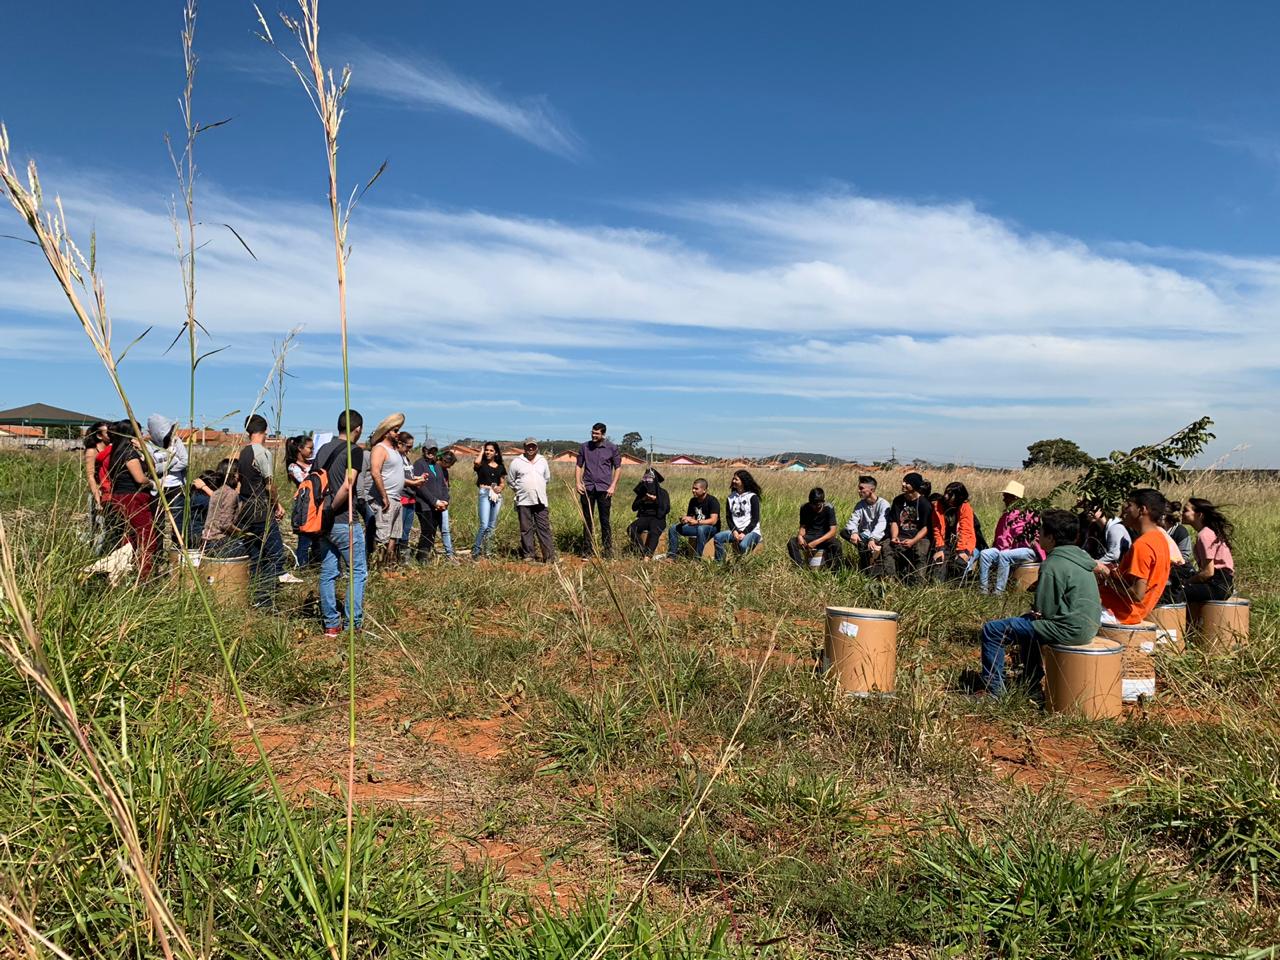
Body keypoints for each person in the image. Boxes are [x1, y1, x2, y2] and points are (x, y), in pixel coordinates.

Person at [977, 509, 1101, 695]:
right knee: (1028, 625)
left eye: (1041, 531)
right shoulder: (1081, 558)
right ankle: (1031, 681)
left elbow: (1044, 611)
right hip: (1088, 626)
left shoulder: (1052, 564)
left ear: (1050, 538)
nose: (1038, 536)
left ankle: (993, 691)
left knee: (992, 630)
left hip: (1068, 629)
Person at [315, 410, 368, 638]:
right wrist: (331, 509)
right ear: (358, 429)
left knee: (328, 572)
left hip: (322, 524)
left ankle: (331, 624)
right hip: (343, 521)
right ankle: (352, 624)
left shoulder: (323, 449)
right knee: (358, 572)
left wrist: (323, 513)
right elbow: (348, 486)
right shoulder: (355, 451)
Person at [237, 413, 294, 607]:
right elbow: (269, 485)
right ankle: (265, 598)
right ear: (265, 431)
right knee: (274, 553)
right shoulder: (262, 453)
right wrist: (276, 504)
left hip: (245, 508)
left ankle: (253, 595)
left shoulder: (242, 453)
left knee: (254, 555)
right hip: (261, 509)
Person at [1098, 489, 1173, 625]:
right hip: (1129, 612)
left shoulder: (1142, 545)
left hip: (1116, 612)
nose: (1123, 512)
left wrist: (1106, 575)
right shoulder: (1160, 539)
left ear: (1142, 509)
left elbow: (1137, 594)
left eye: (1128, 506)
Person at [105, 420, 158, 579]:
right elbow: (141, 478)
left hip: (121, 497)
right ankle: (144, 576)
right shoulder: (129, 453)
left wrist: (143, 450)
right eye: (139, 432)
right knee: (146, 538)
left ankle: (123, 572)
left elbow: (152, 466)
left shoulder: (117, 451)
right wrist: (152, 483)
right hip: (132, 497)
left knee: (130, 538)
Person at [974, 481, 1044, 594]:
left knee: (1004, 556)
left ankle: (999, 592)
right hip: (1004, 549)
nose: (1003, 500)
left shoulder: (1029, 514)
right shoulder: (1006, 515)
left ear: (1015, 498)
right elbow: (1000, 538)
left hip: (1027, 550)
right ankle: (983, 590)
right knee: (985, 554)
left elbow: (1036, 537)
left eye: (1006, 497)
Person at [575, 422, 622, 558]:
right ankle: (587, 550)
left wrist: (613, 486)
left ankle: (607, 551)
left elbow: (618, 468)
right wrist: (578, 482)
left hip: (604, 489)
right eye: (592, 433)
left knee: (604, 520)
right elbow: (579, 465)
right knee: (587, 519)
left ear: (603, 434)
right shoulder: (584, 447)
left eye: (597, 433)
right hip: (587, 488)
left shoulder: (612, 448)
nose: (594, 435)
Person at [367, 413, 407, 567]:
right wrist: (384, 496)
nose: (398, 434)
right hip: (386, 499)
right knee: (382, 536)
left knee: (394, 536)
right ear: (387, 432)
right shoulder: (380, 448)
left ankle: (389, 566)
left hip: (397, 499)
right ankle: (379, 567)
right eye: (395, 430)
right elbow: (375, 472)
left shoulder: (395, 451)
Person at [507, 438, 555, 562]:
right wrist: (520, 490)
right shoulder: (516, 462)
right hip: (523, 500)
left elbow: (547, 478)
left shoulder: (542, 460)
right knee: (526, 528)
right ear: (524, 447)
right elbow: (511, 480)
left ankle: (549, 556)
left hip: (540, 499)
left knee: (543, 528)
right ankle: (529, 555)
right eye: (528, 446)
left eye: (533, 446)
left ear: (537, 447)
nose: (531, 449)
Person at [146, 414, 191, 547]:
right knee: (157, 523)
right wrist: (171, 461)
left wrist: (165, 466)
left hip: (176, 487)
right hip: (157, 488)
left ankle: (178, 552)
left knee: (179, 523)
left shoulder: (175, 441)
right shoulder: (148, 446)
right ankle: (158, 555)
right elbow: (153, 468)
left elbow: (184, 461)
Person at [1182, 498, 1235, 603]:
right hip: (1223, 584)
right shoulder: (1208, 532)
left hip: (1217, 586)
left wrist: (1186, 582)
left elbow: (1208, 572)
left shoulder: (1204, 535)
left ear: (1199, 515)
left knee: (1176, 592)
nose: (1182, 513)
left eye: (1186, 510)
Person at [883, 472, 932, 581]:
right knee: (887, 547)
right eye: (903, 481)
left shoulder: (924, 504)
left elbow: (926, 527)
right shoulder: (898, 500)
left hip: (919, 537)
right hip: (901, 534)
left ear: (915, 486)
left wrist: (913, 541)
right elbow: (894, 521)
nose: (903, 484)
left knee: (920, 551)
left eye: (907, 483)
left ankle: (918, 582)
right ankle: (890, 580)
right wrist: (894, 537)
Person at [659, 478, 720, 561]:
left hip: (711, 528)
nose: (693, 490)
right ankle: (671, 557)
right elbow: (692, 517)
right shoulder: (693, 501)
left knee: (701, 529)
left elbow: (713, 521)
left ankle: (697, 559)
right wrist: (686, 519)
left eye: (696, 489)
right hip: (697, 526)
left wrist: (697, 522)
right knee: (673, 528)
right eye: (693, 488)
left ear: (704, 490)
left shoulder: (712, 501)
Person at [840, 475, 890, 575]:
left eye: (861, 488)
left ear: (871, 489)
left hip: (879, 536)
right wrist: (854, 532)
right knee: (844, 532)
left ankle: (870, 566)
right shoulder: (860, 505)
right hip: (864, 536)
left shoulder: (883, 504)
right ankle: (868, 557)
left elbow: (882, 523)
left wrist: (873, 538)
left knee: (868, 546)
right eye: (859, 488)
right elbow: (853, 520)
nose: (859, 491)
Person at [411, 440, 450, 561]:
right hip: (425, 505)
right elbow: (420, 487)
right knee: (427, 531)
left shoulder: (437, 466)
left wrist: (445, 500)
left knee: (433, 531)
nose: (431, 452)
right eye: (429, 450)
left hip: (439, 506)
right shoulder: (419, 464)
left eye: (434, 450)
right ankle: (422, 558)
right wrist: (434, 501)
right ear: (424, 450)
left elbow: (444, 485)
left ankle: (426, 555)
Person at [930, 481, 976, 581]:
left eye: (950, 494)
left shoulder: (965, 508)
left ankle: (955, 589)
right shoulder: (938, 506)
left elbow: (966, 531)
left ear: (958, 496)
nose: (946, 496)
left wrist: (962, 551)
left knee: (959, 563)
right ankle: (938, 588)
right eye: (946, 492)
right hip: (945, 543)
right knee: (939, 562)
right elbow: (937, 529)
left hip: (963, 543)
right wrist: (940, 549)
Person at [787, 487, 842, 569]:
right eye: (813, 505)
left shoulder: (829, 508)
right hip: (810, 536)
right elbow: (803, 526)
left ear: (822, 502)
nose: (815, 507)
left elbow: (832, 531)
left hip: (824, 537)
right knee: (792, 543)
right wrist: (800, 536)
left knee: (836, 544)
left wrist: (816, 542)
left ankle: (836, 569)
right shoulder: (804, 508)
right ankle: (800, 568)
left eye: (818, 505)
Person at [714, 470, 763, 561]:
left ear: (743, 481)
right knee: (718, 538)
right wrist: (734, 531)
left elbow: (755, 519)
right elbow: (728, 517)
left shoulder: (752, 497)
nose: (733, 481)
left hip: (752, 532)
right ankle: (720, 563)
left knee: (743, 545)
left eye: (736, 479)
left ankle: (742, 565)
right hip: (736, 531)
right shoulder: (730, 497)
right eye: (733, 479)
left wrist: (744, 533)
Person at [286, 434, 319, 567]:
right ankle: (302, 566)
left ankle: (317, 563)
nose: (312, 451)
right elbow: (306, 480)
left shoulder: (312, 463)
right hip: (305, 507)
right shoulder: (293, 467)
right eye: (310, 448)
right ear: (300, 448)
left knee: (317, 537)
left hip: (316, 505)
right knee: (304, 540)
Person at [83, 421, 116, 553]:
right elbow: (90, 475)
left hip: (111, 490)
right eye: (107, 432)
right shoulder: (92, 451)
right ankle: (96, 554)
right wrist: (97, 496)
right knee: (98, 525)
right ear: (99, 436)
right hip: (98, 491)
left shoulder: (113, 447)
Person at [200, 463, 244, 557]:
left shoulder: (217, 492)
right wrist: (242, 533)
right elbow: (225, 524)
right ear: (235, 475)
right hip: (219, 542)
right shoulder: (231, 494)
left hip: (208, 541)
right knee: (253, 548)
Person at [471, 442, 506, 559]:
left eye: (491, 450)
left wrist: (499, 488)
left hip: (496, 495)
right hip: (484, 493)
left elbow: (502, 482)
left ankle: (488, 551)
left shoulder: (500, 467)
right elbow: (476, 463)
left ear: (496, 452)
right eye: (487, 450)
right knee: (484, 524)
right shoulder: (481, 464)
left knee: (491, 525)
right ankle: (476, 550)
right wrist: (481, 451)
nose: (488, 452)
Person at [628, 467, 670, 559]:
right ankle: (643, 551)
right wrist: (644, 499)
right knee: (631, 528)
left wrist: (655, 500)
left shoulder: (662, 493)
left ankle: (648, 556)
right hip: (644, 518)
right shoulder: (643, 493)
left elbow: (666, 509)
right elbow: (634, 507)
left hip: (658, 518)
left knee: (654, 531)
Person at [1080, 501, 1131, 571]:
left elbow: (1113, 555)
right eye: (1086, 509)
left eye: (1092, 509)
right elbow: (1087, 548)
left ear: (1103, 509)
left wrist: (1093, 565)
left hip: (1120, 570)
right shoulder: (1093, 527)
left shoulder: (1115, 528)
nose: (1088, 512)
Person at [395, 432, 421, 556]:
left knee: (407, 528)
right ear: (400, 444)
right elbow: (398, 478)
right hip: (402, 497)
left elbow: (408, 475)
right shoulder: (396, 458)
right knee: (399, 530)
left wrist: (418, 478)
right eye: (408, 446)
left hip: (411, 497)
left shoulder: (406, 458)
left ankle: (403, 554)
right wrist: (413, 483)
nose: (410, 450)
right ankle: (397, 555)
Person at [437, 449, 458, 560]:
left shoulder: (445, 471)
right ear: (443, 460)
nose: (449, 467)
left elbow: (446, 487)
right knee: (430, 530)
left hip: (443, 504)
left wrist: (446, 500)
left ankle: (449, 553)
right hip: (433, 503)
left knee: (445, 529)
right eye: (449, 464)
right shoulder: (434, 469)